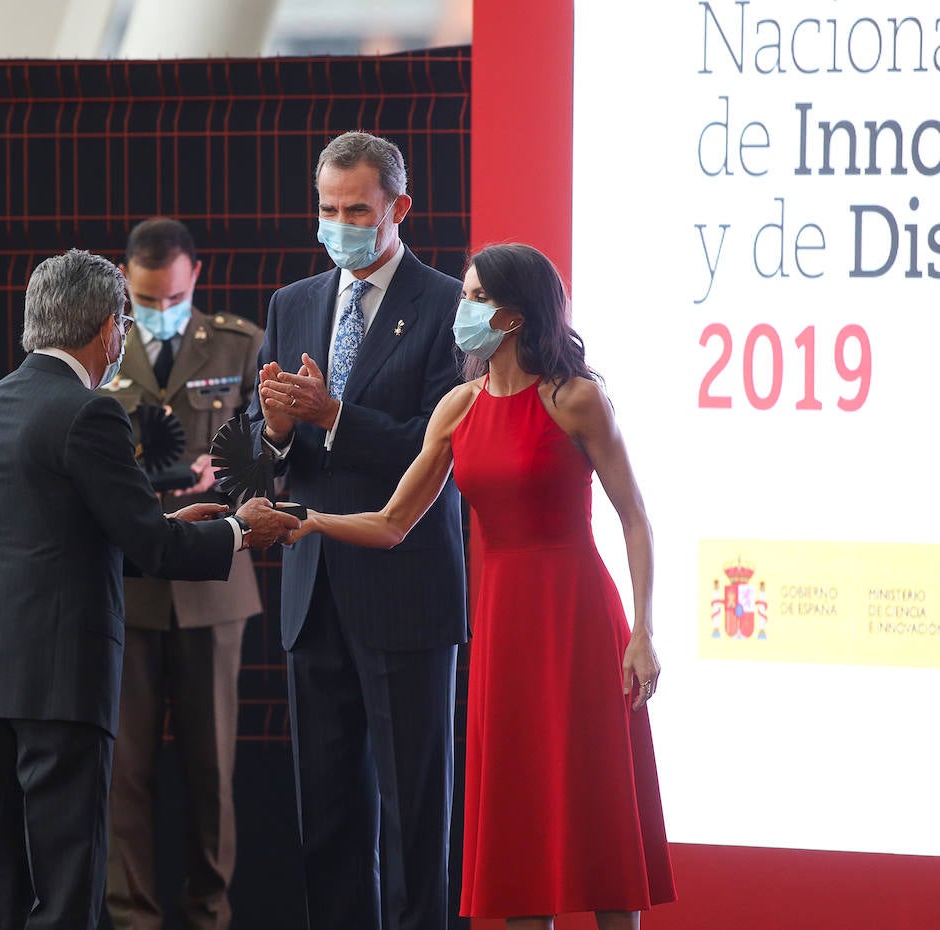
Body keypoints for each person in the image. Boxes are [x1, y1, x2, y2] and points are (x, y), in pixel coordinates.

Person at [284, 243, 677, 929]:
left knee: (599, 813)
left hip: (579, 620)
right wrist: (310, 521)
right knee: (519, 830)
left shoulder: (577, 399)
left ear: (514, 317)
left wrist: (643, 632)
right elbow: (391, 523)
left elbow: (636, 518)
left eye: (473, 299)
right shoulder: (457, 408)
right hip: (502, 630)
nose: (459, 310)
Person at [0, 248, 299, 930]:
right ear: (110, 328)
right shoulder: (90, 412)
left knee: (10, 887)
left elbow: (67, 533)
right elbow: (154, 548)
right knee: (66, 884)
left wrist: (162, 523)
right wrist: (237, 529)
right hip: (60, 681)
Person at [251, 131, 467, 930]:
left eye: (356, 210)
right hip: (314, 591)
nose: (339, 224)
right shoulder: (294, 302)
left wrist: (335, 414)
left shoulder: (450, 303)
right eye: (326, 209)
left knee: (414, 818)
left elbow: (437, 440)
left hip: (405, 588)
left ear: (398, 209)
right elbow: (257, 446)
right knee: (329, 817)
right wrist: (273, 428)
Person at [102, 219, 264, 930]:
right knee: (122, 772)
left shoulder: (240, 342)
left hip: (211, 580)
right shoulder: (101, 347)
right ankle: (133, 915)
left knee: (212, 774)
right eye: (141, 298)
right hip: (127, 582)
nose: (154, 308)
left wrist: (228, 469)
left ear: (194, 276)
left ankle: (209, 914)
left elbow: (277, 450)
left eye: (167, 296)